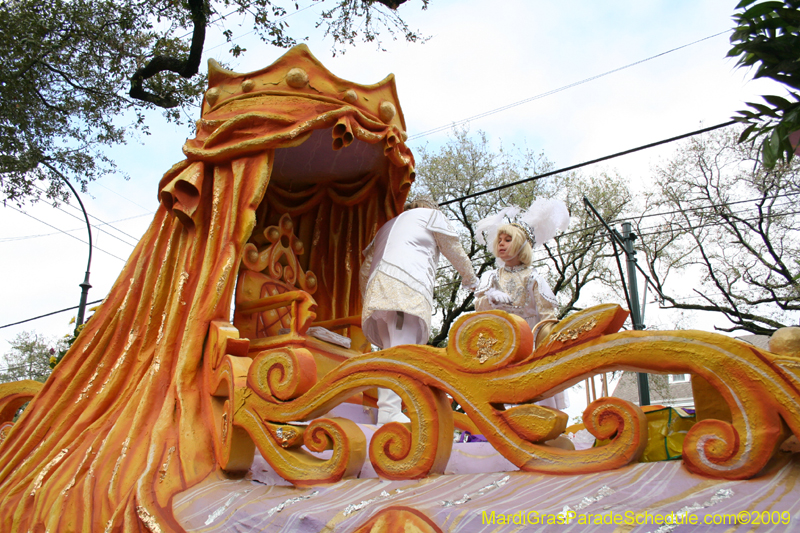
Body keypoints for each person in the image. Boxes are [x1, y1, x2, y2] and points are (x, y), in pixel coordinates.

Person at [360, 197, 479, 424]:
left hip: (378, 289)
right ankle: (389, 412)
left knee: (389, 350)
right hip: (405, 283)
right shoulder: (431, 216)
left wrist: (368, 297)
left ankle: (388, 411)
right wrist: (471, 279)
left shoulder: (387, 226)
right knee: (402, 350)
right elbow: (452, 247)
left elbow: (365, 269)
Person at [474, 199, 570, 410]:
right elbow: (478, 308)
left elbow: (547, 316)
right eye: (500, 239)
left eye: (508, 240)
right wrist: (490, 298)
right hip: (499, 340)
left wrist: (546, 349)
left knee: (533, 389)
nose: (501, 243)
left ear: (521, 246)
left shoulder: (534, 278)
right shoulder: (491, 276)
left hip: (530, 341)